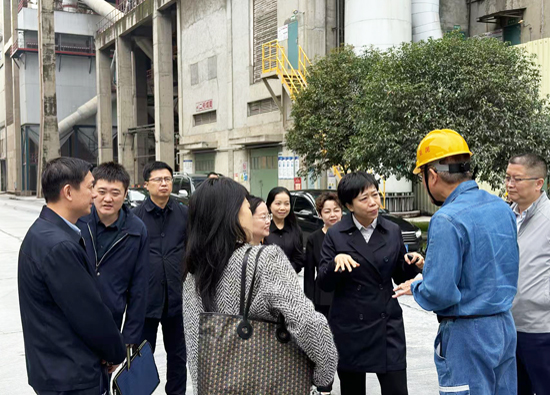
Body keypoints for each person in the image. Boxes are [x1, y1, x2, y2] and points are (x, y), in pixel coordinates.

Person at [182, 177, 338, 394]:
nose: (250, 212)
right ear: (232, 214)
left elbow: (195, 349)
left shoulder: (193, 273)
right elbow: (307, 323)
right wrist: (324, 375)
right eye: (247, 207)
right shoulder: (266, 259)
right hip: (271, 384)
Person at [394, 129, 519, 394]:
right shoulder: (501, 208)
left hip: (467, 335)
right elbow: (489, 266)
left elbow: (440, 292)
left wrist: (418, 286)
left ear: (432, 175)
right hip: (504, 327)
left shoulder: (447, 218)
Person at [18, 157, 126, 395]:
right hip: (71, 375)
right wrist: (115, 352)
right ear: (68, 191)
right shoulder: (58, 246)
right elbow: (89, 314)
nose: (94, 195)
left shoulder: (42, 232)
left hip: (55, 368)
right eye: (90, 187)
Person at [318, 172, 422, 395]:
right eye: (364, 198)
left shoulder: (392, 230)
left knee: (397, 389)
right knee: (353, 390)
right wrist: (336, 262)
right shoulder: (336, 234)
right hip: (351, 327)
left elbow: (398, 275)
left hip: (387, 325)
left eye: (375, 194)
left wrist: (415, 265)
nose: (373, 202)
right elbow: (323, 283)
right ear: (349, 205)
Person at [77, 162, 149, 392]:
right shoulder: (78, 223)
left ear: (125, 194)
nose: (108, 199)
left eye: (115, 193)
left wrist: (127, 342)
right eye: (102, 192)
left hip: (111, 327)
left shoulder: (137, 231)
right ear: (92, 192)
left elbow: (139, 292)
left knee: (103, 385)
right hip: (75, 323)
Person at [133, 161, 188, 395]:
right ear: (147, 185)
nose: (164, 183)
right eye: (158, 179)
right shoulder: (134, 218)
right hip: (146, 300)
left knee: (178, 358)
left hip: (178, 299)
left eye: (167, 179)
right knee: (141, 357)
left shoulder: (185, 214)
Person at [505, 153, 550, 395]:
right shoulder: (507, 217)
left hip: (542, 330)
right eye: (508, 178)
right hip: (510, 326)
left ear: (538, 183)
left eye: (517, 179)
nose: (510, 184)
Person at [304, 192, 343, 318]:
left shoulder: (350, 235)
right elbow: (309, 274)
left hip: (346, 295)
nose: (332, 215)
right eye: (327, 211)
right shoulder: (313, 239)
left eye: (336, 210)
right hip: (322, 296)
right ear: (320, 215)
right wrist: (308, 302)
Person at [264, 186, 305, 272]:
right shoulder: (263, 229)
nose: (282, 208)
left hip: (290, 279)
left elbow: (299, 259)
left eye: (286, 204)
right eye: (278, 203)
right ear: (269, 205)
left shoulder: (295, 230)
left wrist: (286, 273)